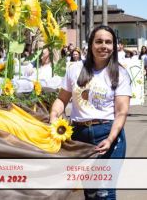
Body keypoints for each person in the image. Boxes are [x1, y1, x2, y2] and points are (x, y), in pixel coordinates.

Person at [49, 25, 131, 199]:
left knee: (104, 191)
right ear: (91, 44)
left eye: (108, 42)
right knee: (90, 191)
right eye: (99, 41)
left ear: (114, 46)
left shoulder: (121, 74)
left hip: (108, 135)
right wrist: (54, 116)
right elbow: (62, 99)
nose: (104, 46)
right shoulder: (74, 69)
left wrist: (110, 139)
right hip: (79, 136)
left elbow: (121, 112)